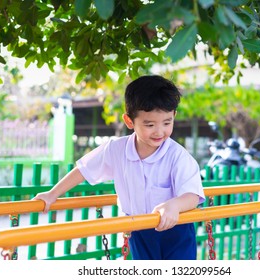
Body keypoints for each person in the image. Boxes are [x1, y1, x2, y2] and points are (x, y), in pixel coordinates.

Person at [33, 75, 206, 260]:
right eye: (150, 124)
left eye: (167, 122)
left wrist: (174, 205)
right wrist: (52, 194)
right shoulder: (116, 149)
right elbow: (84, 169)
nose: (159, 131)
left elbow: (193, 195)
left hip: (176, 229)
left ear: (174, 116)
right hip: (139, 229)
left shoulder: (178, 156)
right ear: (129, 121)